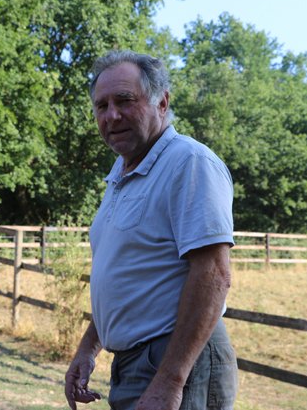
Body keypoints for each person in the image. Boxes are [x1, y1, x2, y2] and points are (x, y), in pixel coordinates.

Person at [65, 50, 238, 410]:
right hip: (135, 363)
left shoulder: (189, 162)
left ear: (162, 102)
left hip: (176, 363)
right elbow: (128, 277)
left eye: (125, 100)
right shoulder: (121, 174)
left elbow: (214, 275)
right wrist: (88, 348)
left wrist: (170, 381)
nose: (112, 115)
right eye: (101, 106)